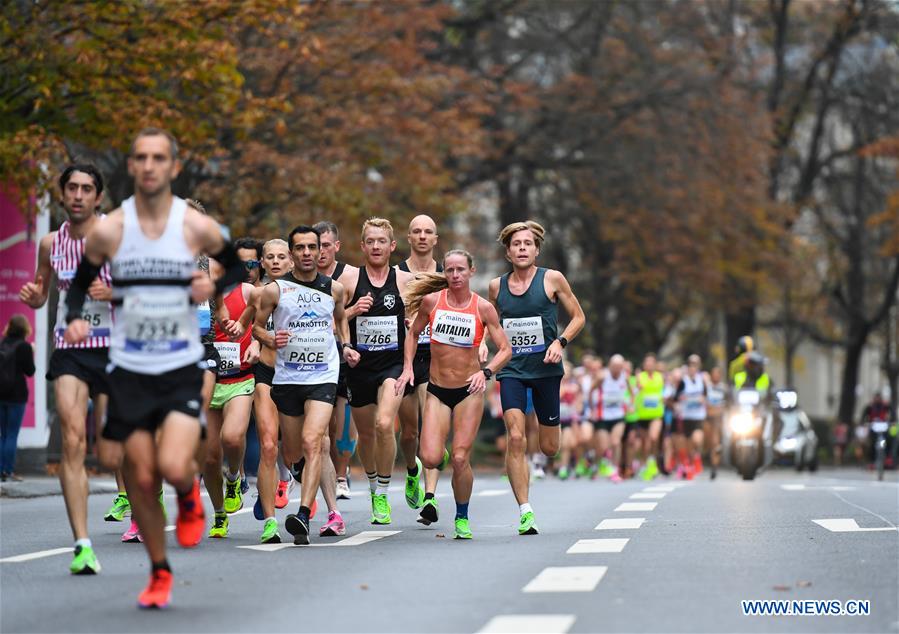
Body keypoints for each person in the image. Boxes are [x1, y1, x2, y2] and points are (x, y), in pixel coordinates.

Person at [63, 127, 244, 608]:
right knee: (141, 478)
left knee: (170, 464)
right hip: (130, 369)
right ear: (132, 164)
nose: (148, 166)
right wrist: (76, 318)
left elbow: (241, 268)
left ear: (173, 167)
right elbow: (80, 284)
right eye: (140, 157)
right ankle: (160, 571)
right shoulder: (111, 229)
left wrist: (215, 288)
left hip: (182, 365)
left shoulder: (194, 227)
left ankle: (188, 494)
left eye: (158, 157)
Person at [18, 162, 124, 574]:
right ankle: (82, 543)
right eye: (72, 188)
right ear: (63, 195)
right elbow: (43, 293)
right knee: (73, 441)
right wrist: (34, 296)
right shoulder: (50, 244)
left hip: (115, 349)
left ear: (98, 197)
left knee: (119, 451)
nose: (78, 195)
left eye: (86, 189)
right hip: (71, 349)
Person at [253, 225, 358, 544]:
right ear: (293, 252)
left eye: (313, 247)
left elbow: (340, 322)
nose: (308, 253)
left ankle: (302, 514)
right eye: (300, 248)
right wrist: (270, 337)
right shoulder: (275, 291)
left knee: (316, 441)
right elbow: (257, 328)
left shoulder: (335, 289)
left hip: (322, 375)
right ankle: (297, 472)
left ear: (321, 251)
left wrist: (346, 347)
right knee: (292, 452)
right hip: (287, 378)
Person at [398, 249, 511, 538]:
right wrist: (408, 368)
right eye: (449, 270)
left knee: (461, 458)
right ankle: (440, 454)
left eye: (460, 270)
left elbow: (506, 349)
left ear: (471, 271)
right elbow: (412, 334)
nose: (455, 275)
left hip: (468, 392)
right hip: (436, 390)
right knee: (431, 457)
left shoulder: (483, 308)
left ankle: (462, 517)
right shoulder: (431, 302)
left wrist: (485, 373)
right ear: (444, 273)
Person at [489, 220, 585, 535]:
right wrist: (481, 347)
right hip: (513, 370)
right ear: (508, 251)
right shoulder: (496, 287)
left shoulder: (552, 279)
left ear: (536, 250)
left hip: (546, 371)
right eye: (516, 244)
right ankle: (525, 510)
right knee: (516, 437)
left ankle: (540, 466)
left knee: (549, 447)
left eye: (527, 244)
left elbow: (579, 317)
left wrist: (560, 342)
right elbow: (488, 323)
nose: (522, 249)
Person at [341, 218, 420, 524]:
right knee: (365, 433)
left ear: (392, 246)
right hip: (359, 366)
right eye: (370, 241)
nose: (376, 246)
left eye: (381, 241)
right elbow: (335, 320)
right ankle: (373, 485)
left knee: (385, 423)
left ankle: (383, 493)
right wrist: (351, 312)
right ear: (363, 246)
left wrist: (410, 361)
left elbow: (416, 325)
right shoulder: (349, 279)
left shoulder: (403, 281)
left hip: (392, 364)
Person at [203, 255, 259, 538]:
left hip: (239, 377)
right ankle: (219, 513)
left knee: (233, 437)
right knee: (209, 456)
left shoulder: (246, 290)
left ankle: (235, 478)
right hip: (204, 373)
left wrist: (250, 336)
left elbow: (263, 317)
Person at [397, 214, 447, 525]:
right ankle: (412, 470)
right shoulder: (397, 273)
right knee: (409, 432)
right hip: (403, 356)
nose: (423, 236)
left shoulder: (446, 275)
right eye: (417, 231)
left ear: (436, 239)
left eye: (429, 231)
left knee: (431, 426)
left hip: (435, 356)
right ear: (409, 237)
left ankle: (430, 497)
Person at [314, 221, 358, 501]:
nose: (320, 252)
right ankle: (313, 466)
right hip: (311, 358)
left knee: (340, 422)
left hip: (342, 355)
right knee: (320, 425)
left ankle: (341, 475)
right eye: (315, 246)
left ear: (336, 247)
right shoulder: (300, 279)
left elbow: (346, 317)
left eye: (326, 246)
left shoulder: (350, 277)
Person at [0, 315, 36, 481]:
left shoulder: (2, 344)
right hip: (17, 395)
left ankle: (1, 469)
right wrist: (33, 353)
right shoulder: (25, 347)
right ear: (25, 329)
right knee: (12, 434)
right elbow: (30, 371)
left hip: (1, 394)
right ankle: (8, 470)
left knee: (3, 434)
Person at [593, 354, 629, 483]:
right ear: (610, 366)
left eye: (619, 367)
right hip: (603, 416)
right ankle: (600, 464)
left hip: (619, 416)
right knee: (603, 446)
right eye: (614, 366)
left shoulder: (625, 377)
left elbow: (631, 391)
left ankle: (615, 469)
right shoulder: (603, 376)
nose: (617, 369)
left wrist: (631, 405)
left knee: (615, 442)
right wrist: (593, 409)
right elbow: (591, 390)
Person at [673, 355, 706, 479]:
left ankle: (696, 458)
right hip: (686, 417)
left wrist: (704, 399)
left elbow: (706, 395)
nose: (692, 369)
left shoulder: (702, 380)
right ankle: (690, 464)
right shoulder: (683, 381)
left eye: (695, 366)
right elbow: (676, 398)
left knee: (697, 440)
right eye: (690, 366)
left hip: (698, 416)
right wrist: (679, 401)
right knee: (688, 443)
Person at [634, 353, 665, 481]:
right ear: (644, 365)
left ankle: (652, 462)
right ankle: (645, 463)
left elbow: (663, 391)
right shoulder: (640, 376)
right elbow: (638, 389)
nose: (649, 365)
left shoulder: (660, 377)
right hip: (642, 414)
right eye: (647, 363)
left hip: (656, 414)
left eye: (652, 363)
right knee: (644, 443)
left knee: (653, 438)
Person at [704, 366, 726, 480]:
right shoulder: (707, 387)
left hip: (718, 419)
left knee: (715, 443)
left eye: (718, 373)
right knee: (709, 443)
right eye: (714, 373)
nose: (715, 376)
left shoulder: (723, 388)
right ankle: (709, 458)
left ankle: (714, 467)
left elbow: (725, 405)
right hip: (708, 418)